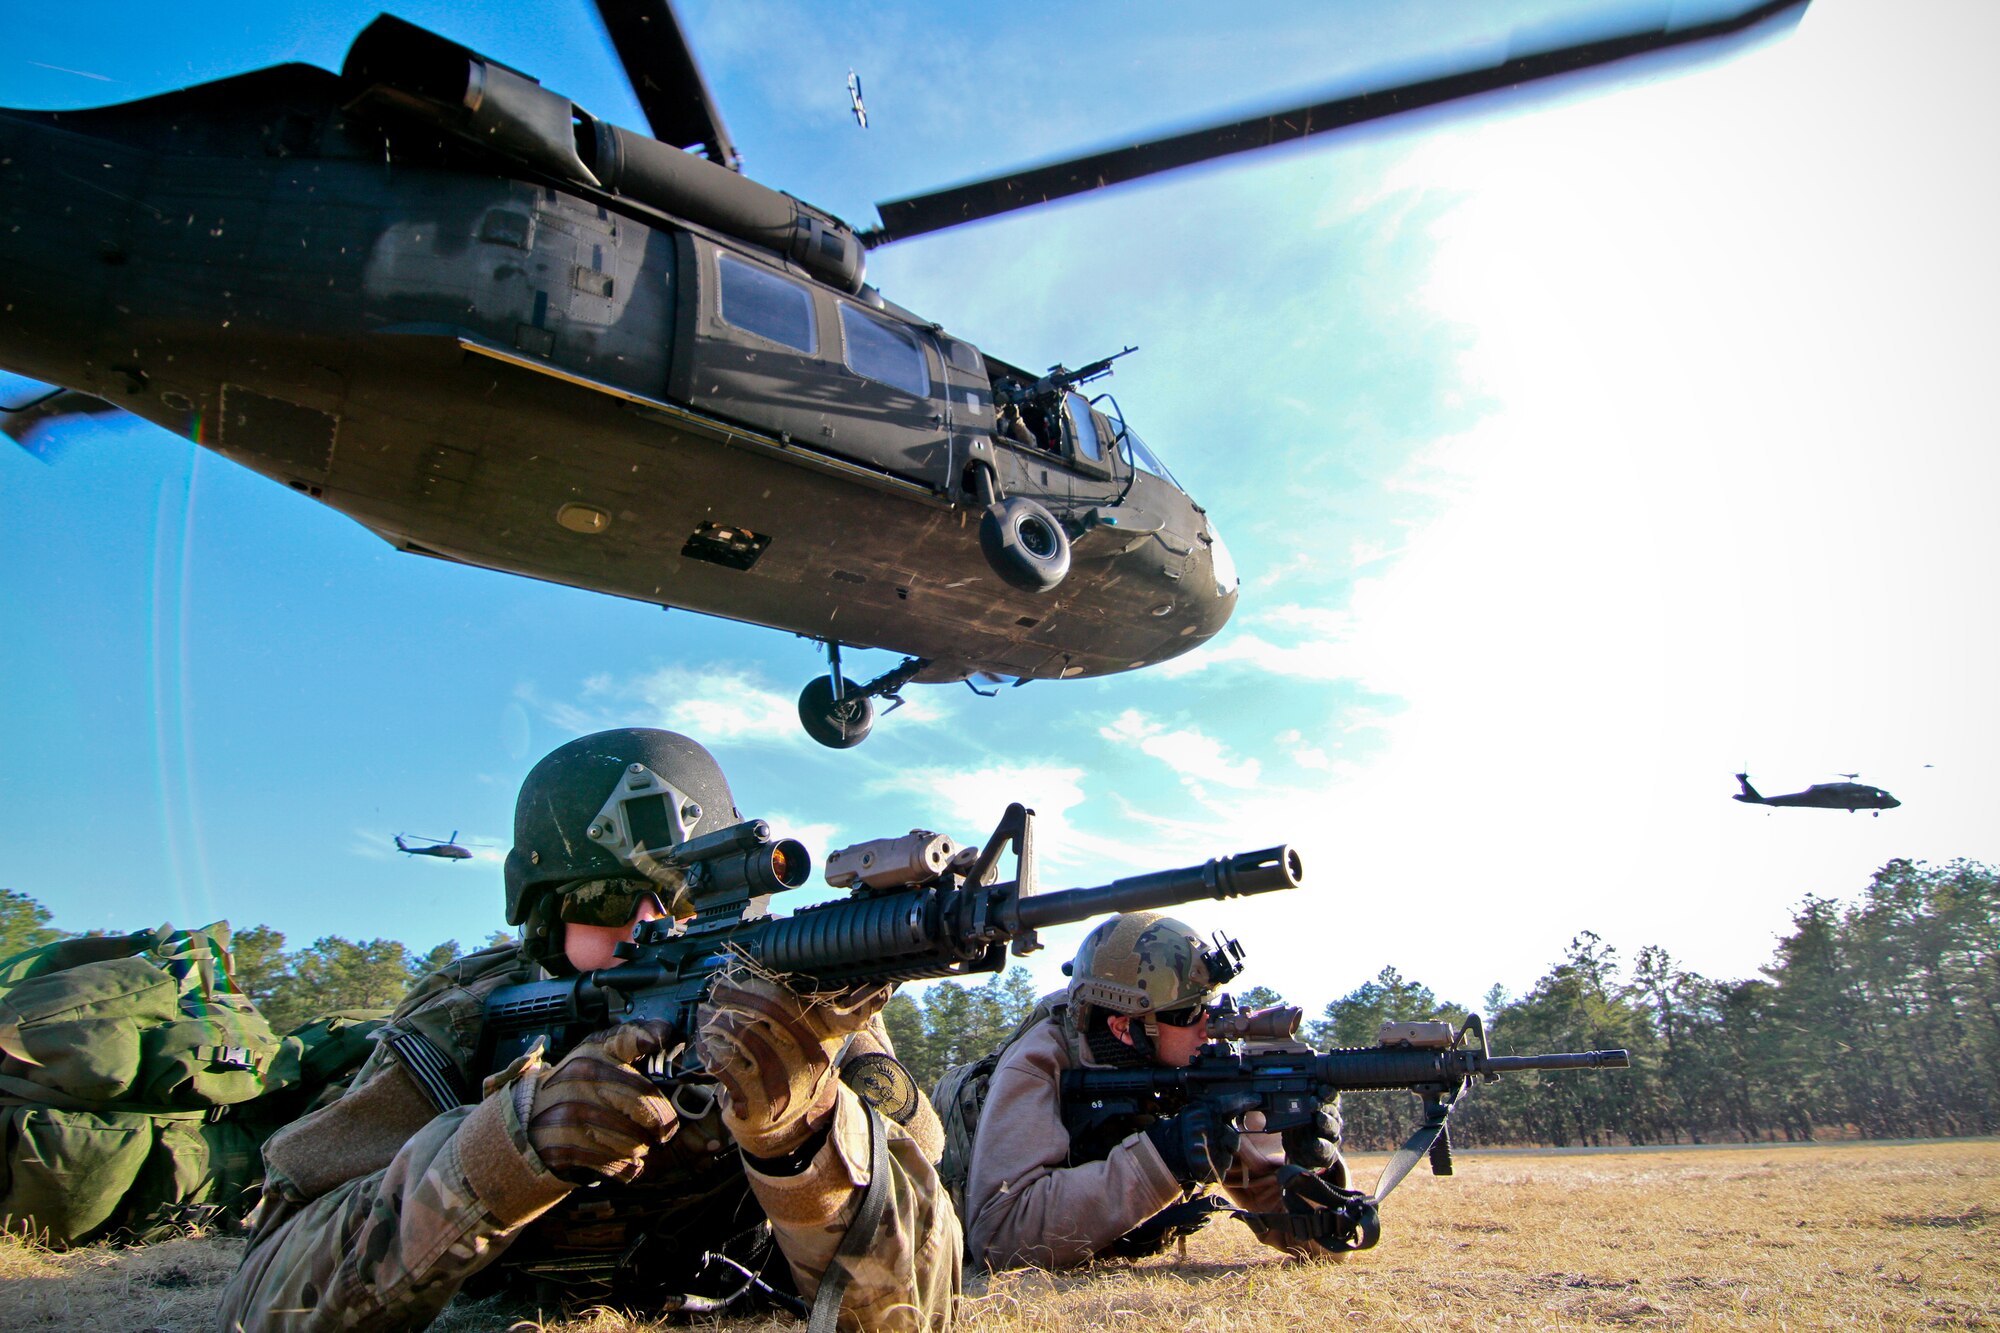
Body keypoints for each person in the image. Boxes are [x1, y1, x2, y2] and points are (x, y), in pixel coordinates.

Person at [217, 728, 959, 1331]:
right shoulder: (466, 1022)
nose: (648, 925)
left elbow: (922, 1306)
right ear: (545, 920)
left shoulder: (808, 1015)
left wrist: (803, 1138)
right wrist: (504, 1149)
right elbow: (259, 1305)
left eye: (682, 895)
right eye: (604, 899)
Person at [961, 911, 1346, 1271]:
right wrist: (1163, 1157)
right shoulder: (1038, 1064)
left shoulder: (1199, 1067)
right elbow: (997, 1238)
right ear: (1123, 1028)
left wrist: (1311, 1171)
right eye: (1189, 1013)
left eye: (1210, 1005)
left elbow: (1325, 1247)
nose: (1210, 1025)